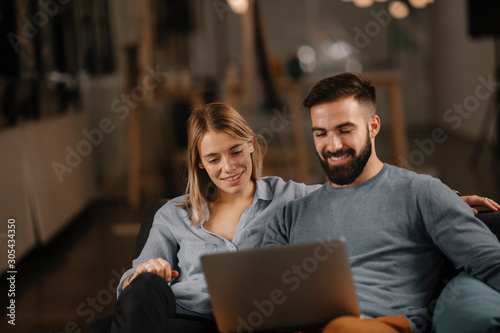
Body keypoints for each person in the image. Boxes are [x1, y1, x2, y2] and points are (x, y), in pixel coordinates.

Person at [93, 102, 498, 333]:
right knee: (142, 289)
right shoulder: (173, 215)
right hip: (181, 317)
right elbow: (129, 294)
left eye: (236, 151)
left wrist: (448, 199)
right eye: (213, 159)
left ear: (252, 146)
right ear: (199, 165)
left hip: (251, 325)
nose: (229, 167)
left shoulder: (291, 197)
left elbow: (363, 191)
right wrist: (149, 269)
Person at [261, 72, 500, 333]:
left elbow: (491, 262)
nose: (333, 145)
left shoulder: (422, 192)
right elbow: (263, 298)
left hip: (379, 325)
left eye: (344, 130)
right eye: (321, 133)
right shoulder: (288, 217)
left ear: (373, 126)